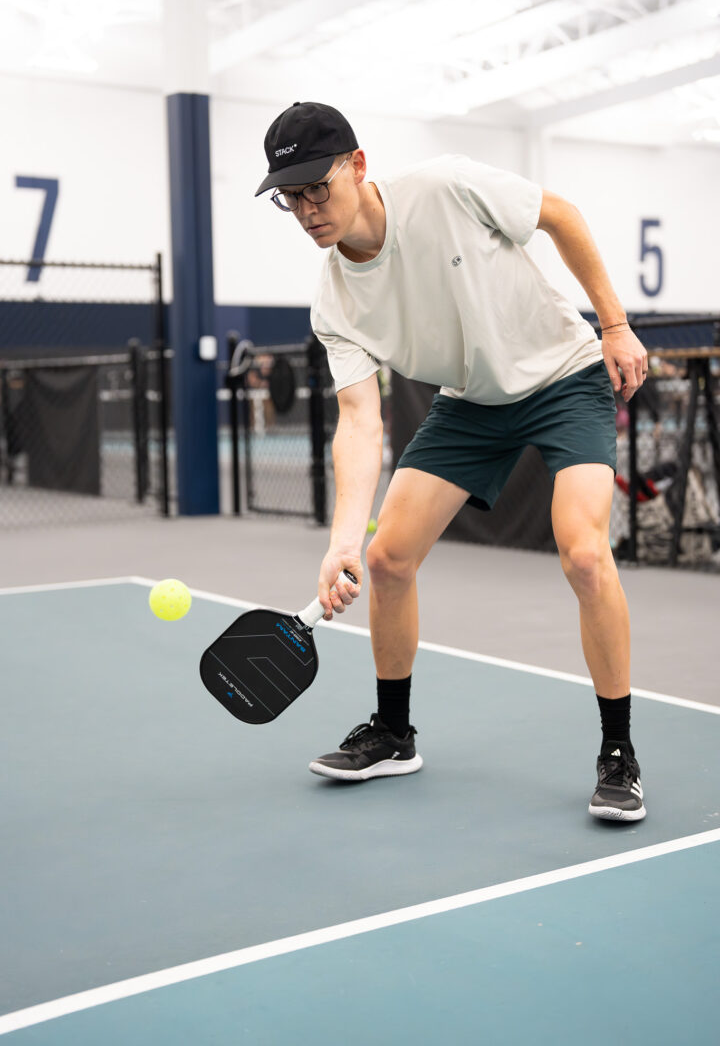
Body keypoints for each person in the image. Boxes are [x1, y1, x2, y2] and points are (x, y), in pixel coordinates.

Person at [255, 101, 649, 822]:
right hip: (470, 402)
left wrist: (615, 325)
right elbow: (359, 420)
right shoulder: (334, 303)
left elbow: (560, 215)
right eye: (291, 197)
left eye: (317, 188)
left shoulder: (444, 186)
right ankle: (393, 733)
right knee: (387, 559)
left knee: (585, 555)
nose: (307, 210)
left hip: (564, 377)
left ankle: (618, 750)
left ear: (358, 166)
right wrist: (344, 540)